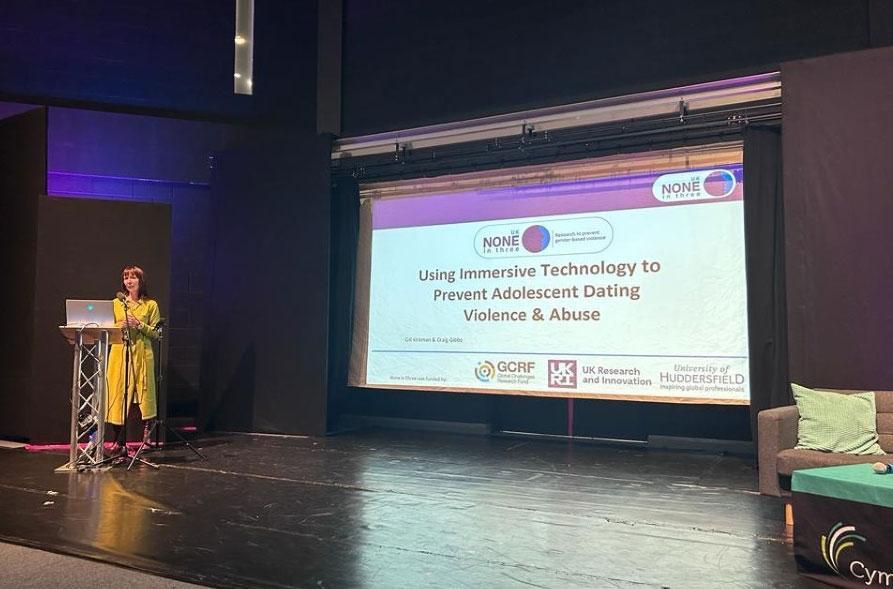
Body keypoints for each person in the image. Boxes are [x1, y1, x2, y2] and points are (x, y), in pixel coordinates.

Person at [106, 265, 161, 456]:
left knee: (145, 396)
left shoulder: (150, 305)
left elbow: (157, 333)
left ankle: (147, 437)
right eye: (126, 278)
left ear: (140, 281)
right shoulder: (116, 303)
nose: (129, 281)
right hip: (120, 354)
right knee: (118, 395)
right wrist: (118, 325)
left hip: (142, 355)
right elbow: (106, 328)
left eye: (133, 278)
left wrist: (139, 324)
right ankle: (118, 441)